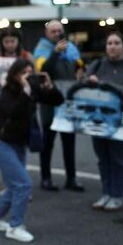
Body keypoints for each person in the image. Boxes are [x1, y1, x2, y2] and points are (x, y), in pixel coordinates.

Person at [0, 58, 64, 243]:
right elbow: (12, 111)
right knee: (23, 184)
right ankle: (15, 226)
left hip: (19, 144)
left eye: (30, 72)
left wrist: (49, 87)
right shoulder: (8, 90)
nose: (27, 76)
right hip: (2, 144)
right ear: (15, 74)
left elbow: (58, 100)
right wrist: (27, 91)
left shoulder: (33, 90)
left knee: (15, 186)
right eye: (23, 73)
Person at [33, 19, 85, 192]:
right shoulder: (42, 49)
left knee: (69, 141)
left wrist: (80, 73)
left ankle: (71, 178)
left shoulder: (70, 48)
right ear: (47, 34)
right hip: (49, 100)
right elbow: (43, 70)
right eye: (53, 31)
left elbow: (80, 66)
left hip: (67, 98)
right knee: (48, 141)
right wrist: (55, 53)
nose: (57, 34)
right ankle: (46, 178)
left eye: (59, 31)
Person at [85, 31, 123, 211]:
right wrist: (89, 80)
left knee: (118, 158)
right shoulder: (97, 65)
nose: (112, 46)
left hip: (120, 121)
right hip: (98, 119)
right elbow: (82, 84)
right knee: (103, 158)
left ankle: (117, 195)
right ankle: (106, 193)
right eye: (109, 43)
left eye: (117, 43)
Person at [0, 27, 33, 141]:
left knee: (19, 136)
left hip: (20, 102)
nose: (9, 45)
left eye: (12, 41)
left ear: (18, 41)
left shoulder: (27, 57)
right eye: (6, 42)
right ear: (1, 42)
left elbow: (34, 80)